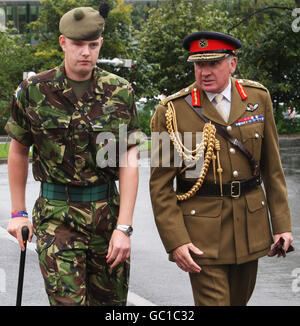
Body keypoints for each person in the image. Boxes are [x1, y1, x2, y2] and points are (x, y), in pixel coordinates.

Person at [6, 3, 140, 306]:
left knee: (111, 305)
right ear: (63, 42)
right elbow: (18, 149)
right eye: (78, 44)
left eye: (93, 45)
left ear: (100, 44)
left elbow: (128, 160)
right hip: (56, 216)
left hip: (107, 216)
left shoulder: (120, 91)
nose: (86, 52)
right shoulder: (35, 90)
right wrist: (18, 212)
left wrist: (124, 227)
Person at [149, 31, 293, 306]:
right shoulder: (172, 111)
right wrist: (176, 241)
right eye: (198, 64)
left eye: (213, 63)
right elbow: (160, 186)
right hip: (202, 234)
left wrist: (282, 226)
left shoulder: (257, 97)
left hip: (251, 227)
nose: (204, 72)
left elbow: (273, 170)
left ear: (232, 64)